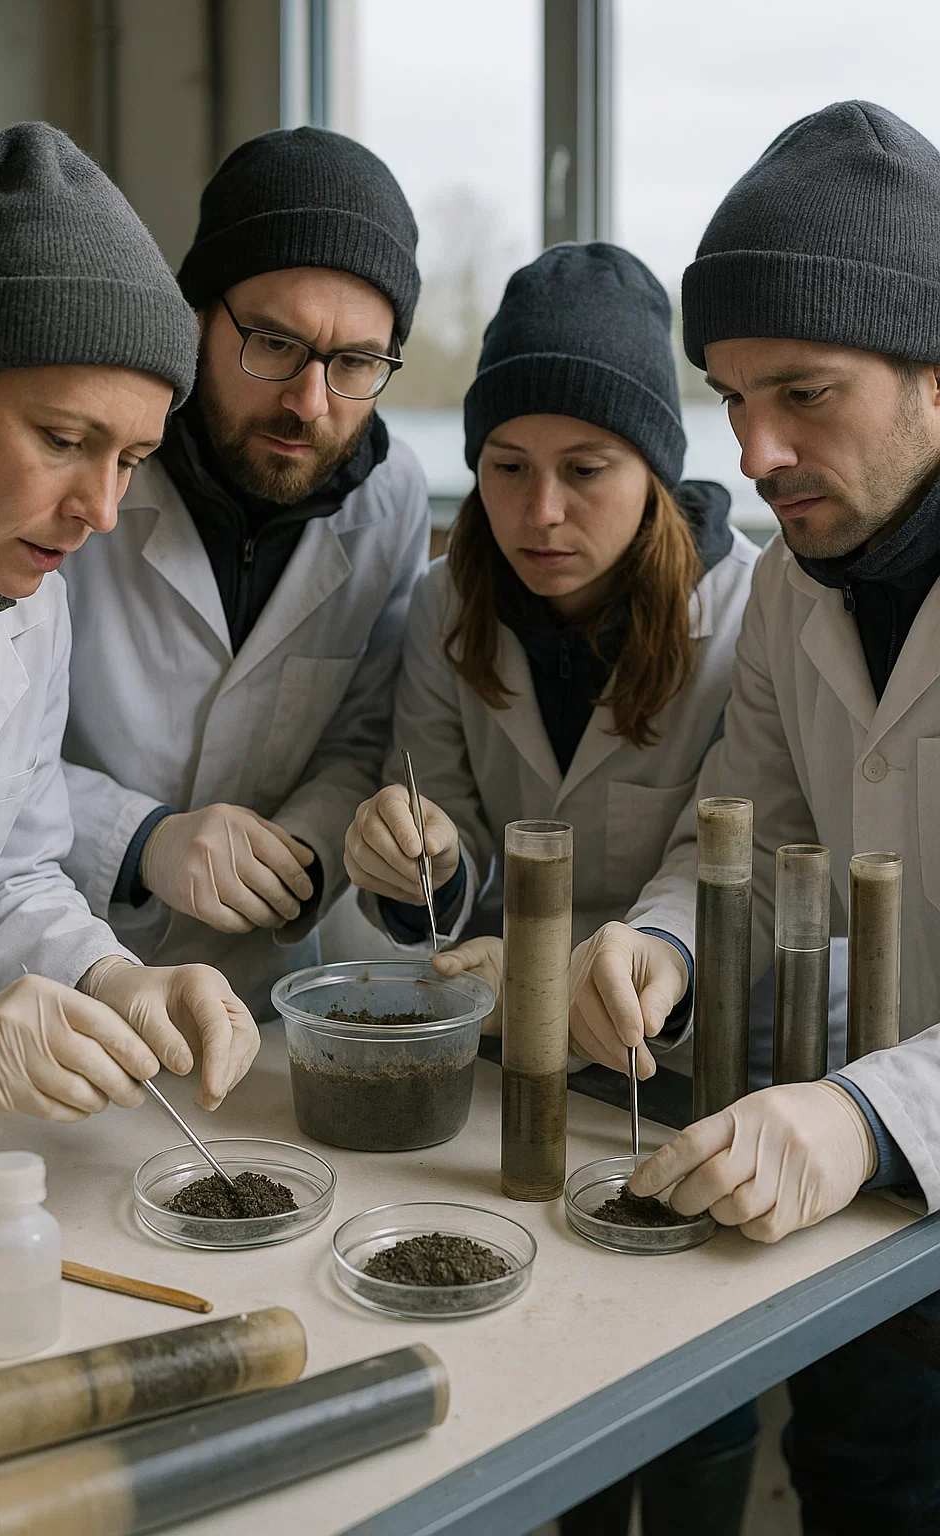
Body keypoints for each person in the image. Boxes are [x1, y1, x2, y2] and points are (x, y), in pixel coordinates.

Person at [343, 242, 762, 1535]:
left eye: (587, 472)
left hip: (684, 1077)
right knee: (539, 1412)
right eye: (506, 469)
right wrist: (413, 859)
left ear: (657, 467)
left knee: (698, 1405)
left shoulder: (751, 614)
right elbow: (455, 844)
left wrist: (645, 952)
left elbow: (726, 848)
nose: (539, 516)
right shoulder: (443, 602)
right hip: (509, 1086)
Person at [570, 102, 940, 1535]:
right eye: (730, 398)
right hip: (876, 1227)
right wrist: (663, 941)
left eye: (804, 392)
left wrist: (868, 1114)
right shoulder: (798, 584)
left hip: (877, 1137)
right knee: (860, 1487)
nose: (760, 448)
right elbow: (748, 815)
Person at [0, 123, 259, 1147]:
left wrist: (108, 973)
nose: (100, 509)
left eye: (132, 458)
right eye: (65, 441)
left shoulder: (22, 593)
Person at [59, 127, 429, 1019]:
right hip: (54, 966)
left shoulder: (390, 499)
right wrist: (141, 840)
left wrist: (304, 852)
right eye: (273, 342)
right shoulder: (90, 465)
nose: (308, 402)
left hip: (257, 992)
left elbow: (359, 734)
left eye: (354, 365)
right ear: (195, 315)